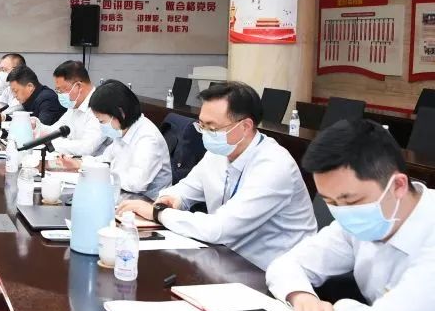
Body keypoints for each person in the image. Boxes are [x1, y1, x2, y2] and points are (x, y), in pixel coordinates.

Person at [266, 119, 435, 311]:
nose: (342, 212)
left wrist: (340, 308)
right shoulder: (362, 219)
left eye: (351, 200)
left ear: (398, 186)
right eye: (330, 202)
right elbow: (285, 265)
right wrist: (304, 299)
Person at [119, 82, 316, 270]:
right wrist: (170, 199)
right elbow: (186, 189)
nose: (205, 134)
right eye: (201, 126)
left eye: (212, 128)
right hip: (226, 258)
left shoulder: (274, 166)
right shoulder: (218, 153)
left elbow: (220, 229)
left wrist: (158, 213)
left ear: (245, 126)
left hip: (273, 273)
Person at [61, 80, 171, 197]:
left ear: (120, 113)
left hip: (147, 202)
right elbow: (105, 159)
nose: (100, 126)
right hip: (121, 195)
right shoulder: (123, 130)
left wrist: (99, 173)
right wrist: (80, 164)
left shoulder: (148, 139)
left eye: (102, 121)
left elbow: (135, 184)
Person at [42, 60, 105, 158]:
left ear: (78, 86)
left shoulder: (100, 106)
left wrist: (51, 142)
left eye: (62, 90)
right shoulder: (74, 104)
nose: (60, 94)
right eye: (57, 90)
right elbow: (56, 130)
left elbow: (87, 147)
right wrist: (37, 127)